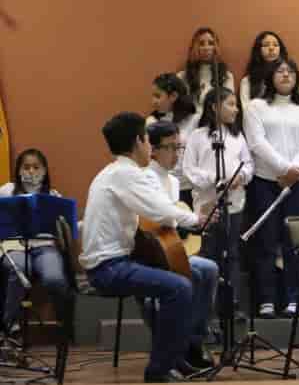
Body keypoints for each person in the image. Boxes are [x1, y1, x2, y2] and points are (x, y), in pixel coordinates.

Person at [79, 112, 211, 382]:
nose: (150, 148)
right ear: (138, 141)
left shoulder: (114, 172)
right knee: (179, 288)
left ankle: (179, 357)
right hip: (108, 269)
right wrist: (196, 219)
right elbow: (160, 210)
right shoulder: (125, 173)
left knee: (194, 274)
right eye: (148, 141)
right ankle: (159, 370)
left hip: (116, 262)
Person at [243, 58, 299, 318]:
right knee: (266, 240)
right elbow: (257, 142)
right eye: (280, 71)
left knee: (295, 241)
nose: (286, 75)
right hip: (266, 181)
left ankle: (294, 299)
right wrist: (284, 169)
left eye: (290, 71)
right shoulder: (256, 106)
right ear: (270, 76)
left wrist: (295, 170)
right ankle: (266, 299)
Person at [145, 121, 220, 370]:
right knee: (195, 273)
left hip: (169, 248)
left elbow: (173, 226)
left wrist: (201, 221)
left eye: (179, 147)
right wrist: (192, 219)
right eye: (170, 147)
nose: (176, 154)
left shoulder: (173, 182)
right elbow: (156, 220)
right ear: (153, 150)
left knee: (210, 268)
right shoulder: (146, 178)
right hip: (150, 251)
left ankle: (194, 341)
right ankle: (177, 346)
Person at [183, 88, 253, 311]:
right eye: (230, 104)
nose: (236, 109)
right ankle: (205, 306)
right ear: (214, 107)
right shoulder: (198, 136)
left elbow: (248, 164)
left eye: (236, 104)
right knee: (208, 252)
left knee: (232, 253)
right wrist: (216, 180)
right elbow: (189, 170)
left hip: (234, 204)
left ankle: (231, 303)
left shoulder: (237, 136)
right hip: (207, 206)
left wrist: (241, 176)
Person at [1, 149, 72, 337]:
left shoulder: (53, 195)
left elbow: (65, 231)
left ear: (44, 171)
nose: (31, 171)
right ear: (18, 170)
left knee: (54, 277)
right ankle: (9, 325)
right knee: (19, 268)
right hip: (14, 246)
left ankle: (64, 324)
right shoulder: (6, 190)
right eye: (26, 167)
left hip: (46, 248)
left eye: (36, 167)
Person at [146, 72, 199, 207]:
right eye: (153, 96)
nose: (153, 101)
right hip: (161, 184)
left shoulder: (194, 120)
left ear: (173, 96)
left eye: (158, 96)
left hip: (190, 186)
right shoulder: (151, 122)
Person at [177, 27, 235, 108]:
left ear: (216, 48)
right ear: (194, 48)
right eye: (201, 44)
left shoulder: (226, 76)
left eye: (211, 43)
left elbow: (229, 107)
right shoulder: (182, 77)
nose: (206, 48)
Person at [240, 31, 289, 108]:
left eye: (275, 45)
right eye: (266, 45)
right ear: (258, 50)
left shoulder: (289, 78)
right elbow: (246, 110)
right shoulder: (247, 81)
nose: (271, 48)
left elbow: (298, 106)